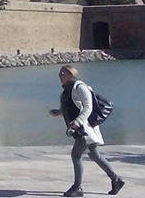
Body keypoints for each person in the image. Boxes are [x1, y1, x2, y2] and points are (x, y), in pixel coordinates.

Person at [49, 65, 124, 197]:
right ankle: (116, 180)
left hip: (85, 129)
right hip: (79, 129)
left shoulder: (80, 87)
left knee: (76, 155)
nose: (60, 75)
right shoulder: (65, 91)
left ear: (71, 74)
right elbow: (71, 108)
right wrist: (59, 113)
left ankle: (77, 187)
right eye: (60, 73)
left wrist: (78, 122)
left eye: (63, 73)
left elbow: (88, 107)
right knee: (95, 156)